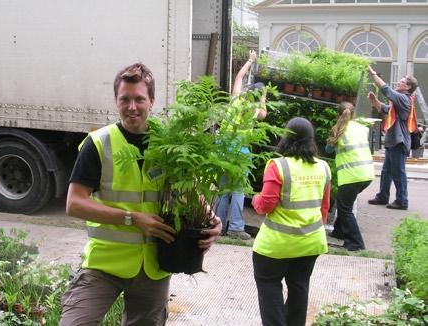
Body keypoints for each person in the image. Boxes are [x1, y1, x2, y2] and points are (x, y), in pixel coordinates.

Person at [59, 63, 222, 326]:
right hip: (104, 264)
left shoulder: (167, 143)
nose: (132, 106)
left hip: (155, 265)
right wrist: (131, 218)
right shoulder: (99, 143)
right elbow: (75, 204)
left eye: (139, 99)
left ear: (152, 101)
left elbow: (188, 189)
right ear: (116, 101)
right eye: (125, 99)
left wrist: (214, 220)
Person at [252, 117, 330, 326]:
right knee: (299, 286)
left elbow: (265, 205)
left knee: (269, 284)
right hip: (311, 243)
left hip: (275, 246)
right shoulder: (323, 167)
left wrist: (255, 200)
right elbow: (324, 207)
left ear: (286, 137)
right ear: (311, 140)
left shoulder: (278, 166)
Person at [215, 49, 267, 240]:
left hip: (223, 147)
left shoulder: (236, 100)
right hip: (241, 151)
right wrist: (263, 97)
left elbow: (239, 77)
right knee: (237, 189)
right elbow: (264, 113)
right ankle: (235, 228)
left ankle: (218, 224)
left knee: (222, 188)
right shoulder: (255, 112)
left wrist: (250, 60)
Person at [367, 66, 418, 210]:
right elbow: (384, 109)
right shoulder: (401, 101)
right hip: (393, 141)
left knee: (398, 172)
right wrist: (374, 100)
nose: (398, 83)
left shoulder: (403, 98)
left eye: (401, 82)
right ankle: (383, 196)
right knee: (386, 171)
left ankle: (402, 201)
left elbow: (386, 89)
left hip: (398, 141)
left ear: (407, 87)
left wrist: (373, 74)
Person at [326, 102, 375, 251]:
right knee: (344, 203)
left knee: (345, 208)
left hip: (351, 176)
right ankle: (339, 232)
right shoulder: (362, 128)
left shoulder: (338, 130)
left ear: (337, 114)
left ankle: (356, 243)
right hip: (367, 173)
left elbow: (328, 150)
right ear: (353, 114)